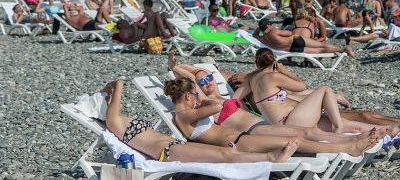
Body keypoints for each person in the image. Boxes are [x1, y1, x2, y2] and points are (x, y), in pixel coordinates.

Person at [169, 52, 400, 134]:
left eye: (210, 77)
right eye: (203, 80)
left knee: (365, 115)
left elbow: (295, 93)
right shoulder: (232, 94)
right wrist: (179, 68)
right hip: (292, 117)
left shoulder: (238, 80)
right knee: (362, 116)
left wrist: (206, 72)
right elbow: (188, 76)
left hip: (300, 106)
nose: (207, 81)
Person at [164, 77, 379, 156]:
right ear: (188, 96)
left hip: (241, 137)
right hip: (238, 143)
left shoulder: (189, 112)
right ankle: (349, 146)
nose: (197, 99)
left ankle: (351, 143)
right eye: (195, 95)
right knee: (296, 141)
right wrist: (207, 102)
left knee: (298, 139)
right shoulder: (183, 116)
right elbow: (212, 109)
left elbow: (212, 108)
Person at [102, 80, 297, 164]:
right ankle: (271, 158)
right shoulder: (115, 121)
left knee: (228, 152)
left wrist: (109, 97)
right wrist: (116, 86)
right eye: (109, 104)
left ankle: (271, 157)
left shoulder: (124, 120)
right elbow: (115, 100)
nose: (115, 103)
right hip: (167, 152)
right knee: (224, 154)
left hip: (175, 145)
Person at [236, 48, 400, 135]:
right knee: (325, 89)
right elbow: (301, 86)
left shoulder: (251, 78)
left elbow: (234, 100)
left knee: (339, 121)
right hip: (289, 122)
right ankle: (339, 128)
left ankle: (386, 130)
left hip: (287, 121)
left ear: (256, 64)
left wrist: (248, 117)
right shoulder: (273, 76)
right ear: (273, 62)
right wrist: (283, 71)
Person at [253, 18, 357, 58]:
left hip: (292, 49)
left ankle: (343, 50)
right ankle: (343, 49)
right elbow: (289, 33)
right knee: (321, 45)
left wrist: (260, 30)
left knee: (320, 50)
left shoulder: (262, 39)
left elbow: (255, 34)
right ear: (268, 25)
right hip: (296, 40)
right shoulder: (274, 31)